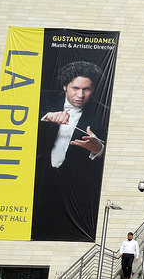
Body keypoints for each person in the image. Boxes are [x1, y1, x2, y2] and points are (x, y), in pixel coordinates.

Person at [31, 61, 109, 242]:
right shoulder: (42, 99)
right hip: (37, 180)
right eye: (75, 88)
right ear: (65, 85)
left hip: (74, 190)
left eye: (87, 89)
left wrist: (98, 149)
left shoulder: (103, 114)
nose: (80, 95)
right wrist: (45, 117)